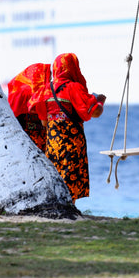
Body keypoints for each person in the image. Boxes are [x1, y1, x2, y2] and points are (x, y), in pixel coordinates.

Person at [42, 53, 106, 202]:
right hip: (71, 144)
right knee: (70, 175)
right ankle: (69, 208)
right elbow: (95, 112)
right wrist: (101, 102)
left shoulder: (46, 89)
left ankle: (56, 206)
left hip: (52, 144)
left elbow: (44, 122)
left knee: (54, 174)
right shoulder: (73, 88)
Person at [7, 63, 50, 151]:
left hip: (23, 141)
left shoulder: (17, 91)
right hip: (40, 139)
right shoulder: (37, 93)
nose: (49, 79)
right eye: (47, 75)